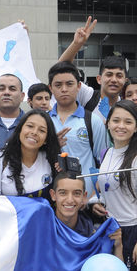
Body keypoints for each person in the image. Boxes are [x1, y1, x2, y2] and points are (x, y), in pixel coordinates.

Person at [93, 100, 137, 271]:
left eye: (128, 122)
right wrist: (97, 203)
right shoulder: (107, 153)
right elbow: (105, 189)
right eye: (116, 120)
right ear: (108, 123)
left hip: (131, 230)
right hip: (109, 228)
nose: (121, 126)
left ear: (136, 128)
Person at [48, 61, 109, 195]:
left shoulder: (93, 121)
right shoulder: (43, 122)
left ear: (79, 86)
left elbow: (104, 163)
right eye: (58, 85)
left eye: (69, 84)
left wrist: (94, 197)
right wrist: (51, 145)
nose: (64, 89)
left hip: (85, 198)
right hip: (52, 197)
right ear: (51, 88)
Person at [57, 17, 127, 122]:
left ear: (125, 81)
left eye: (119, 76)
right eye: (109, 74)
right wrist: (77, 44)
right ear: (99, 79)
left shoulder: (127, 107)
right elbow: (61, 70)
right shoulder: (88, 96)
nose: (114, 79)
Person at [0, 109, 60, 197]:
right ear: (20, 129)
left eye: (42, 131)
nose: (34, 132)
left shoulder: (52, 161)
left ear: (46, 139)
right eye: (30, 126)